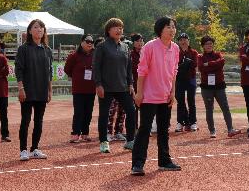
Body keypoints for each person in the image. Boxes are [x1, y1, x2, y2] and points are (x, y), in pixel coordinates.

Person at [131, 17, 182, 175]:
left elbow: (174, 72)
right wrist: (139, 93)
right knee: (145, 129)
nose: (172, 30)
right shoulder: (150, 46)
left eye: (173, 27)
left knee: (163, 129)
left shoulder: (175, 48)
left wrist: (172, 92)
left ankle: (164, 161)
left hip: (165, 95)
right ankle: (137, 164)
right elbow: (142, 71)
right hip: (149, 96)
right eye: (168, 27)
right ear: (160, 29)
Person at [94, 18, 137, 153]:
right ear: (108, 30)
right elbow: (96, 67)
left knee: (131, 111)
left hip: (123, 87)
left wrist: (130, 83)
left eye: (121, 27)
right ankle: (104, 141)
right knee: (104, 114)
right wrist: (98, 84)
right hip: (106, 87)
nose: (119, 30)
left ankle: (130, 141)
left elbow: (129, 67)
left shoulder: (125, 47)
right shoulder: (102, 46)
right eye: (115, 27)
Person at [16, 19, 53, 161]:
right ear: (30, 31)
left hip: (42, 90)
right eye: (36, 27)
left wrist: (50, 91)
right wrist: (21, 88)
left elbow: (49, 72)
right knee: (25, 120)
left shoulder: (47, 50)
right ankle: (23, 150)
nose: (39, 29)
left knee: (39, 121)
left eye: (41, 27)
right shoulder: (23, 49)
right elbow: (19, 70)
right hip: (27, 90)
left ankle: (35, 149)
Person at [197, 36, 242, 138]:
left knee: (225, 107)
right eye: (206, 44)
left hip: (220, 86)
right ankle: (212, 131)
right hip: (206, 87)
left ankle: (230, 129)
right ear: (203, 46)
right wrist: (213, 66)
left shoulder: (218, 54)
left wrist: (208, 64)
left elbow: (221, 62)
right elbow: (201, 68)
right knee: (209, 109)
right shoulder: (200, 57)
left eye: (210, 43)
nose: (209, 45)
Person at [64, 34, 96, 143]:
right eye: (87, 41)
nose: (90, 43)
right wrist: (76, 77)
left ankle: (85, 133)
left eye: (92, 42)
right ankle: (75, 133)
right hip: (78, 89)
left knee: (88, 112)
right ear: (81, 42)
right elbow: (67, 69)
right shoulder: (74, 56)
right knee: (78, 112)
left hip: (91, 89)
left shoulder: (95, 55)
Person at [175, 33, 199, 132]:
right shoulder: (176, 52)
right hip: (179, 79)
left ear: (188, 41)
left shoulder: (193, 52)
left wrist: (184, 64)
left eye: (185, 39)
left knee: (191, 101)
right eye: (181, 40)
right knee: (180, 101)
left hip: (190, 79)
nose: (183, 42)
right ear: (178, 42)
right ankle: (181, 121)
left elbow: (194, 64)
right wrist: (185, 64)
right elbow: (175, 65)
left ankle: (193, 122)